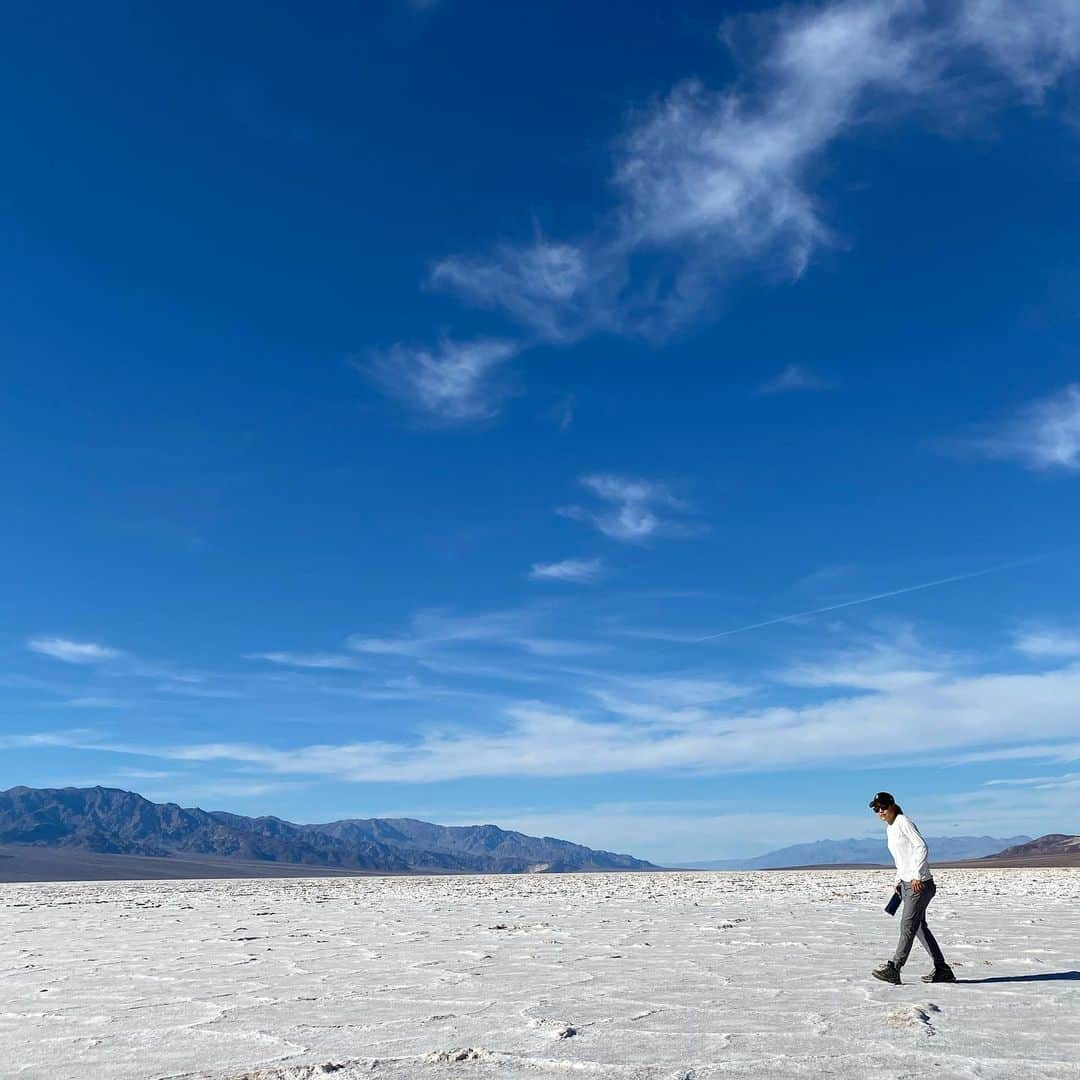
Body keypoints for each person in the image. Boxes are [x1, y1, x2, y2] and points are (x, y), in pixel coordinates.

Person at [868, 791, 956, 985]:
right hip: (907, 883)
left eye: (883, 807)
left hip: (920, 884)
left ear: (892, 805)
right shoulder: (890, 828)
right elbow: (902, 858)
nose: (880, 811)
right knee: (919, 928)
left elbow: (921, 846)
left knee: (907, 926)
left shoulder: (903, 822)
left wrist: (916, 875)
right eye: (876, 808)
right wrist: (899, 880)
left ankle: (895, 968)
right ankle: (942, 969)